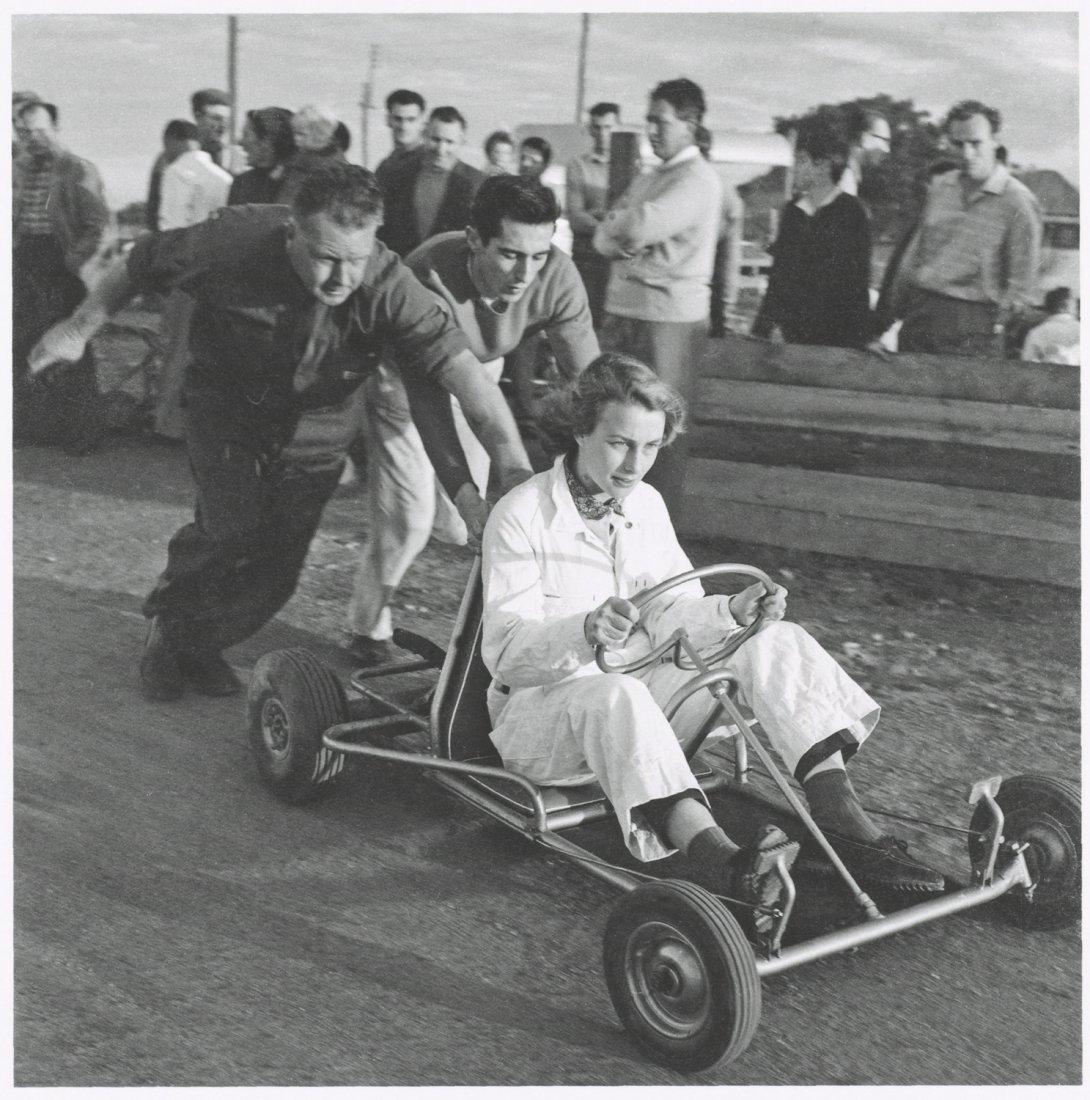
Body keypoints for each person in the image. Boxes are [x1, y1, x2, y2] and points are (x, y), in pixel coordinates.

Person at [28, 162, 534, 703]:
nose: (342, 279)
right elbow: (138, 263)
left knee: (279, 568)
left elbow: (472, 389)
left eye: (356, 260)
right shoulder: (230, 241)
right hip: (226, 408)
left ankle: (201, 643)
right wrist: (77, 330)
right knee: (231, 525)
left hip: (318, 426)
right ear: (292, 232)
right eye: (325, 258)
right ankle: (171, 629)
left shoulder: (391, 287)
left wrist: (514, 472)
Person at [481, 352, 945, 922]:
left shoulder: (644, 505)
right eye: (620, 443)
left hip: (643, 694)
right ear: (581, 430)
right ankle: (723, 863)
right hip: (546, 720)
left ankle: (841, 819)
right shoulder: (522, 513)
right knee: (612, 694)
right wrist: (582, 630)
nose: (634, 465)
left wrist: (731, 609)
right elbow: (504, 654)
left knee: (772, 640)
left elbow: (670, 610)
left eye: (650, 448)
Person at [347, 174, 600, 664]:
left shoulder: (557, 275)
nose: (526, 272)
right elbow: (430, 404)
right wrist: (463, 491)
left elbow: (591, 385)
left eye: (539, 254)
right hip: (402, 382)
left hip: (480, 375)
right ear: (473, 239)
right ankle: (366, 626)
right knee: (411, 518)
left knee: (474, 528)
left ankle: (494, 646)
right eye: (509, 254)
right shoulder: (427, 275)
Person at [593, 77, 721, 510]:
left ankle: (655, 542)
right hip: (626, 315)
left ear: (691, 123)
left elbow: (631, 227)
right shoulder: (652, 177)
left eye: (660, 121)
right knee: (613, 423)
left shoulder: (698, 179)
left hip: (669, 325)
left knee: (657, 435)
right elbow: (603, 237)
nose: (650, 130)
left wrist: (622, 229)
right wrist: (620, 229)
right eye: (647, 120)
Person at [877, 100, 1041, 358]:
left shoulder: (1017, 201)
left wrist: (995, 330)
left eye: (975, 143)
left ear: (994, 141)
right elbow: (911, 261)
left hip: (975, 330)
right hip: (921, 318)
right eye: (957, 144)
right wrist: (883, 324)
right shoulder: (941, 187)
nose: (966, 154)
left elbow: (1022, 287)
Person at [13, 99, 110, 455]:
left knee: (68, 347)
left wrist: (73, 260)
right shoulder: (18, 170)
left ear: (56, 129)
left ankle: (82, 434)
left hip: (60, 265)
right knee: (23, 346)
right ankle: (36, 427)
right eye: (24, 132)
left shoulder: (77, 169)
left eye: (40, 130)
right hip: (24, 262)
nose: (33, 139)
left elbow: (97, 225)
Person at [752, 115, 872, 348]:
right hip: (791, 336)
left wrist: (861, 339)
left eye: (801, 160)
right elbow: (779, 276)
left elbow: (858, 284)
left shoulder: (852, 212)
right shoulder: (793, 212)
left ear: (824, 165)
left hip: (836, 338)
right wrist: (765, 327)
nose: (793, 168)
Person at [151, 120, 234, 440]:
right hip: (218, 273)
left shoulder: (175, 173)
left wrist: (163, 274)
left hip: (185, 273)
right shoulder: (224, 178)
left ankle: (170, 425)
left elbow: (171, 228)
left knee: (177, 348)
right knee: (210, 352)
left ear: (173, 140)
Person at [378, 106, 485, 258]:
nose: (441, 149)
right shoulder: (397, 176)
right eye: (435, 140)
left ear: (462, 141)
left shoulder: (477, 184)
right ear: (425, 135)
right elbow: (382, 233)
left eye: (450, 142)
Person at [145, 88, 242, 232]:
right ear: (197, 116)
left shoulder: (235, 158)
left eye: (227, 120)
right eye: (216, 118)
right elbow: (155, 212)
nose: (222, 126)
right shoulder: (170, 159)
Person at [566, 101, 619, 328]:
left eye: (608, 127)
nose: (603, 134)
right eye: (597, 127)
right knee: (584, 323)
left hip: (619, 261)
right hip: (587, 257)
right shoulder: (578, 166)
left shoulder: (631, 166)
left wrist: (597, 215)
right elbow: (576, 218)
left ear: (619, 127)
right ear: (590, 129)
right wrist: (613, 224)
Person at [696, 125, 744, 337]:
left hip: (702, 299)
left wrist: (724, 312)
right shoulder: (725, 188)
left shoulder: (722, 192)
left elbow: (727, 261)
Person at [229, 107, 296, 205]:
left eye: (246, 135)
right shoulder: (241, 183)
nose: (241, 142)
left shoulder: (296, 184)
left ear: (267, 141)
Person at [375, 88, 427, 196]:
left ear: (422, 123)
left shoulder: (429, 163)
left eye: (411, 120)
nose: (404, 126)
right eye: (398, 119)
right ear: (388, 120)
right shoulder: (385, 167)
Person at [839, 106, 891, 197]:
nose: (887, 150)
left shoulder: (847, 175)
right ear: (864, 138)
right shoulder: (846, 181)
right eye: (884, 140)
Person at [1021, 287, 1080, 365]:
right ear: (1065, 306)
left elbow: (1026, 366)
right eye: (1075, 306)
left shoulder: (1036, 333)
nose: (1077, 310)